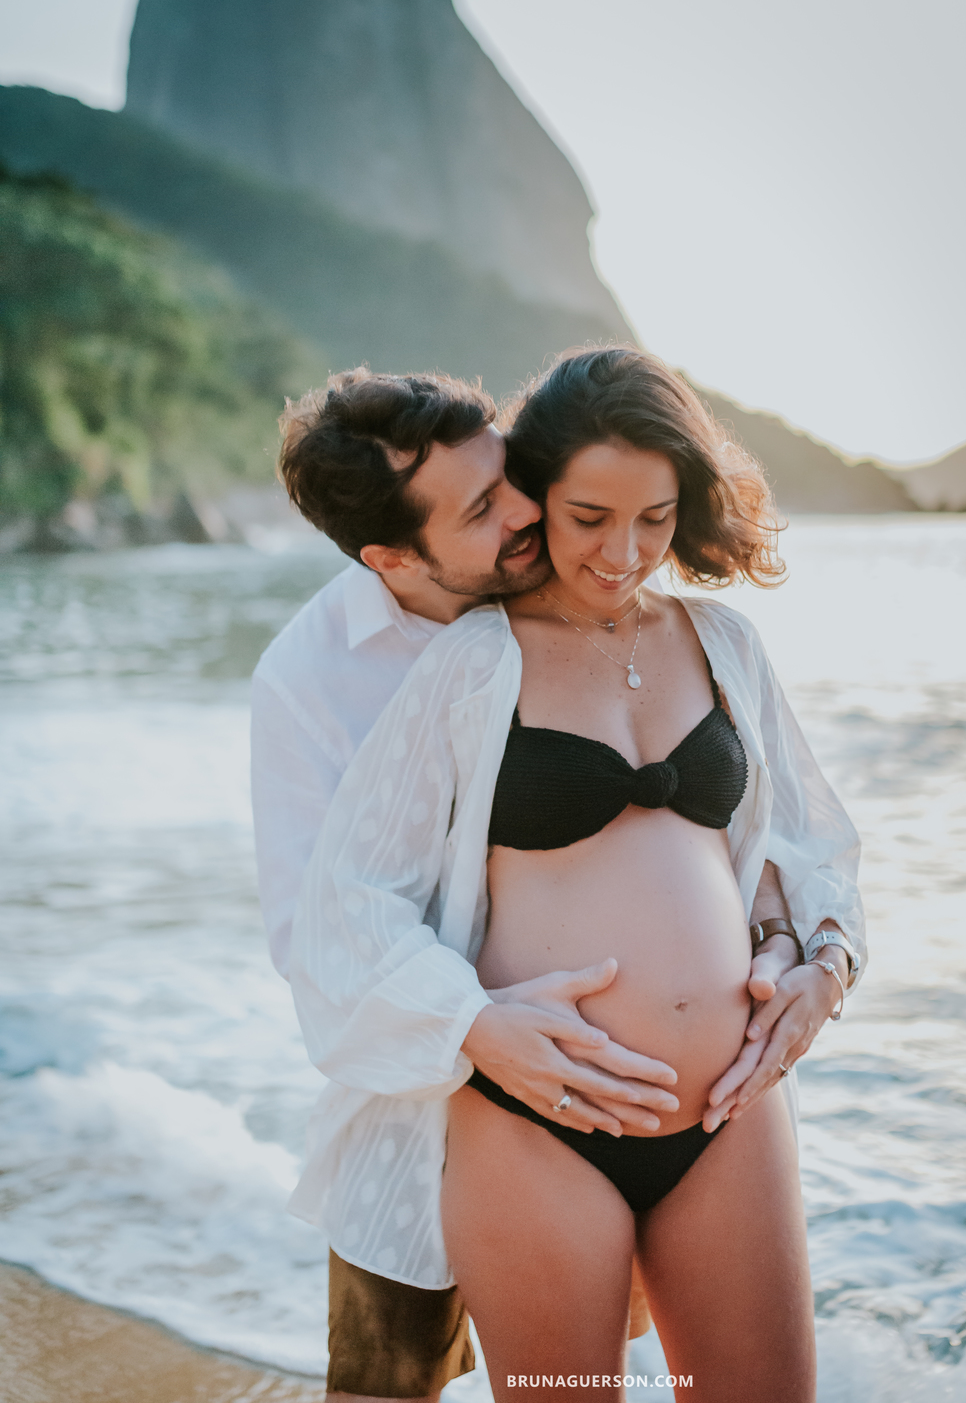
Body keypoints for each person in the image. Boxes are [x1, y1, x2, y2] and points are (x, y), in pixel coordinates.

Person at [288, 348, 866, 1402]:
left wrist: (822, 964)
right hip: (539, 1124)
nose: (624, 550)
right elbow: (346, 900)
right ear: (537, 493)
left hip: (728, 1113)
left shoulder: (724, 642)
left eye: (655, 516)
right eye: (590, 514)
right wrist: (473, 1023)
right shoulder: (472, 662)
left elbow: (808, 842)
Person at [252, 367, 681, 1403]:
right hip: (415, 1105)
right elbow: (315, 935)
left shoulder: (579, 600)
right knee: (385, 1385)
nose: (527, 510)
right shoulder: (309, 679)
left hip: (598, 1089)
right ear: (392, 557)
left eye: (510, 475)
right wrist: (476, 1023)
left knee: (579, 1378)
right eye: (484, 508)